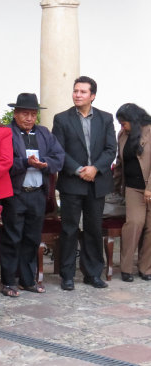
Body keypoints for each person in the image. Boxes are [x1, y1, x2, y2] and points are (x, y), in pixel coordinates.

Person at [52, 76, 116, 291]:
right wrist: (80, 170)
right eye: (75, 91)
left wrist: (95, 169)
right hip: (72, 182)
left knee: (93, 229)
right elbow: (59, 151)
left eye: (82, 92)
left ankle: (93, 274)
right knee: (69, 229)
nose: (77, 95)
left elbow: (110, 150)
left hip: (97, 182)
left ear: (93, 96)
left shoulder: (106, 119)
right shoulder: (61, 119)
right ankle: (67, 275)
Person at [0, 93, 65, 296]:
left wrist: (45, 163)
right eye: (25, 114)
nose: (29, 118)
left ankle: (28, 280)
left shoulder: (44, 133)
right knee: (12, 237)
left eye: (33, 114)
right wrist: (25, 163)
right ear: (16, 113)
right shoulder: (6, 133)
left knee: (32, 238)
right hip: (15, 194)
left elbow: (59, 157)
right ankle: (9, 281)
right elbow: (4, 162)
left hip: (37, 194)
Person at [113, 103, 151, 282]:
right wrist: (115, 186)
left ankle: (146, 269)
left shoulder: (150, 132)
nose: (122, 126)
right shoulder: (122, 135)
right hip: (133, 188)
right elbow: (120, 162)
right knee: (134, 224)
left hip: (149, 187)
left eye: (124, 123)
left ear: (134, 121)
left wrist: (149, 188)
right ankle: (127, 268)